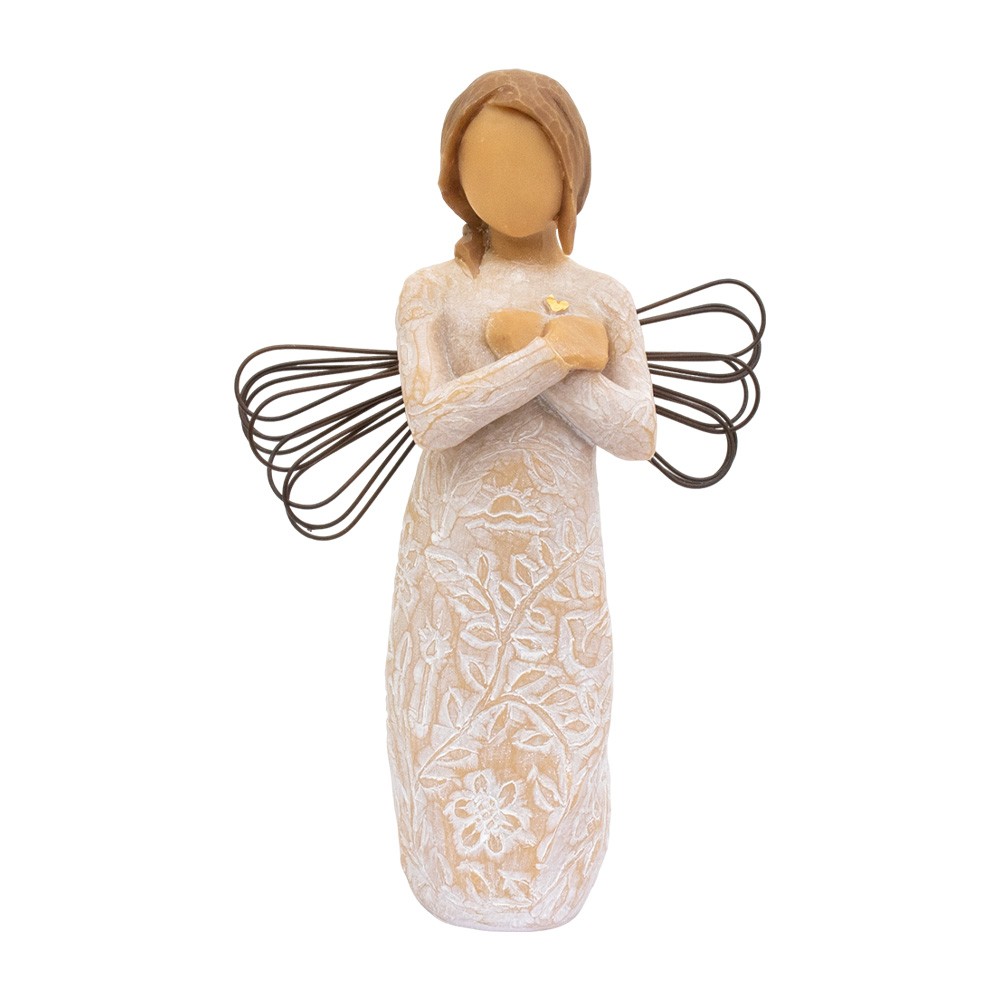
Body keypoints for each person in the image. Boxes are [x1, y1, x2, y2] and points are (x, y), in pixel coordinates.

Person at [384, 68, 657, 930]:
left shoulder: (605, 297)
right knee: (450, 717)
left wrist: (557, 354)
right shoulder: (432, 290)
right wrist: (546, 352)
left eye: (531, 163)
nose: (505, 182)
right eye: (482, 163)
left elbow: (636, 433)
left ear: (570, 173)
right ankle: (449, 878)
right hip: (454, 571)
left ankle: (547, 884)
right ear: (453, 176)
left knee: (558, 722)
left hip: (556, 573)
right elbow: (432, 419)